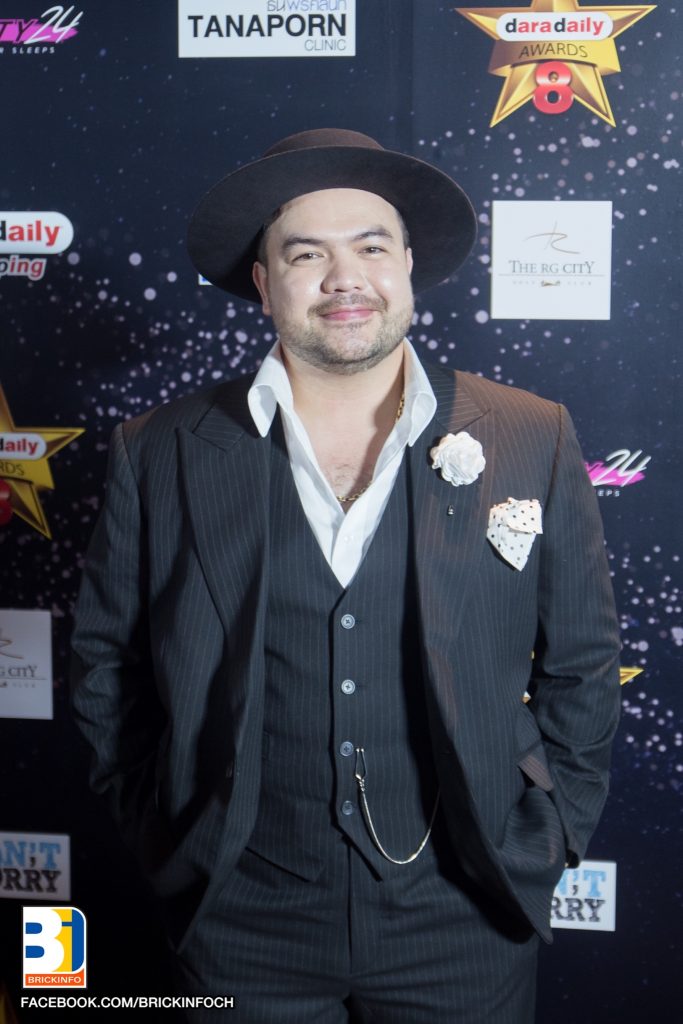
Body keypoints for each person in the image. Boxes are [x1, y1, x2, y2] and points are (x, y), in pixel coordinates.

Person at [70, 128, 621, 1023]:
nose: (343, 278)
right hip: (239, 918)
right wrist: (163, 832)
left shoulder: (532, 434)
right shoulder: (158, 449)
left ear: (406, 265)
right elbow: (105, 666)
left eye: (370, 247)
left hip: (466, 914)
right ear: (263, 282)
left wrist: (548, 835)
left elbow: (584, 665)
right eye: (306, 254)